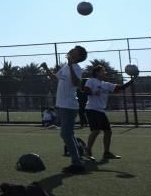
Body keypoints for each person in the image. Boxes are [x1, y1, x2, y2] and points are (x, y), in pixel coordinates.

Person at [42, 46, 88, 174]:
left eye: (75, 50)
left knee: (65, 134)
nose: (71, 50)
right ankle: (78, 158)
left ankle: (77, 163)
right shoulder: (66, 67)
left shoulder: (77, 68)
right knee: (69, 134)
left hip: (69, 105)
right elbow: (53, 77)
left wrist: (70, 65)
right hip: (62, 105)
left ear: (78, 56)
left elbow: (75, 83)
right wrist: (46, 68)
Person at [83, 65, 135, 161]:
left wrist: (133, 79)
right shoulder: (91, 81)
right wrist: (94, 92)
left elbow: (121, 87)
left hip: (100, 110)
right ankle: (87, 151)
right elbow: (85, 91)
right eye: (103, 71)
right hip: (92, 109)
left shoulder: (106, 84)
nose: (105, 72)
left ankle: (106, 153)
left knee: (108, 131)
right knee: (96, 130)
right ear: (97, 72)